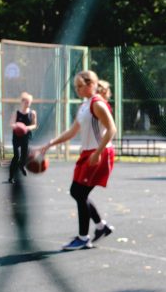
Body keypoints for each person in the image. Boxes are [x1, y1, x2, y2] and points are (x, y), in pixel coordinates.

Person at [40, 70, 116, 251]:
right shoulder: (84, 105)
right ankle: (100, 226)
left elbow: (112, 129)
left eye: (79, 86)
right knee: (78, 193)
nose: (77, 90)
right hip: (88, 153)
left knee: (78, 192)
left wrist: (97, 153)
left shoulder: (97, 104)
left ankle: (83, 238)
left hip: (100, 153)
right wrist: (51, 143)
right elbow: (73, 131)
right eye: (75, 87)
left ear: (91, 85)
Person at [8, 92, 37, 184]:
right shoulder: (16, 113)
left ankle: (21, 166)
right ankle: (11, 177)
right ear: (22, 102)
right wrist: (17, 126)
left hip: (26, 137)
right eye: (26, 101)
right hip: (16, 136)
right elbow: (11, 124)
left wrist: (26, 128)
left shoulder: (32, 113)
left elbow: (34, 125)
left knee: (25, 155)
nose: (28, 103)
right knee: (16, 156)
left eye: (29, 102)